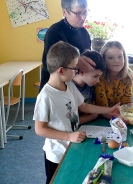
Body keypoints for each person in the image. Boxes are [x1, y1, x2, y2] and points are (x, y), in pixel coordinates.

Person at [33, 41, 120, 184]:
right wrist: (68, 136)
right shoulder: (46, 96)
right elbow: (39, 129)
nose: (76, 72)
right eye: (74, 68)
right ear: (61, 71)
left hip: (70, 145)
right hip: (56, 153)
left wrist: (109, 110)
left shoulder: (68, 86)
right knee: (56, 180)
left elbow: (84, 106)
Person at [40, 0, 95, 91]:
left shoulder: (84, 32)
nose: (83, 17)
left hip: (77, 88)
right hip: (55, 89)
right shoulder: (55, 32)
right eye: (78, 13)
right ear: (65, 12)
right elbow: (49, 65)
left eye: (85, 12)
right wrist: (75, 61)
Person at [95, 41, 133, 119]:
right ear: (104, 60)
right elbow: (103, 108)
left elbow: (127, 102)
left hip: (121, 115)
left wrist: (130, 115)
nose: (116, 61)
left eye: (120, 57)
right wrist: (118, 118)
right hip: (104, 117)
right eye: (111, 58)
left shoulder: (128, 76)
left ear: (124, 57)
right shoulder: (99, 77)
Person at [72, 50, 106, 124]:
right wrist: (92, 117)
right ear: (81, 72)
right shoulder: (68, 87)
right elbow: (69, 122)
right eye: (95, 76)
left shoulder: (89, 85)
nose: (98, 81)